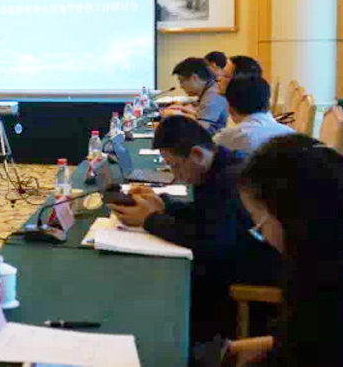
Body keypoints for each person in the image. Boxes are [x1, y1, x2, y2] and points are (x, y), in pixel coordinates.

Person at [110, 115, 279, 344]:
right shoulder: (217, 166)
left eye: (175, 166)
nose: (175, 175)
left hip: (246, 277)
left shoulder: (229, 180)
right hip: (234, 256)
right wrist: (164, 204)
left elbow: (208, 242)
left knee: (162, 289)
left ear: (197, 154)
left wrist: (149, 220)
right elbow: (205, 216)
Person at [227, 134, 343, 366]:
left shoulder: (335, 283)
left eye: (259, 224)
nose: (265, 237)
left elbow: (313, 349)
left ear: (290, 216)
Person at [214, 76, 294, 154]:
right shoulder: (292, 135)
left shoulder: (225, 139)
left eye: (226, 75)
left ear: (230, 108)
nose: (219, 79)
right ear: (268, 104)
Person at [164, 57, 228, 135]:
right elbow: (198, 114)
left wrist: (176, 116)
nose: (181, 86)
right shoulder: (209, 89)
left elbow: (200, 129)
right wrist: (182, 109)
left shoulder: (212, 95)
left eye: (181, 81)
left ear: (194, 78)